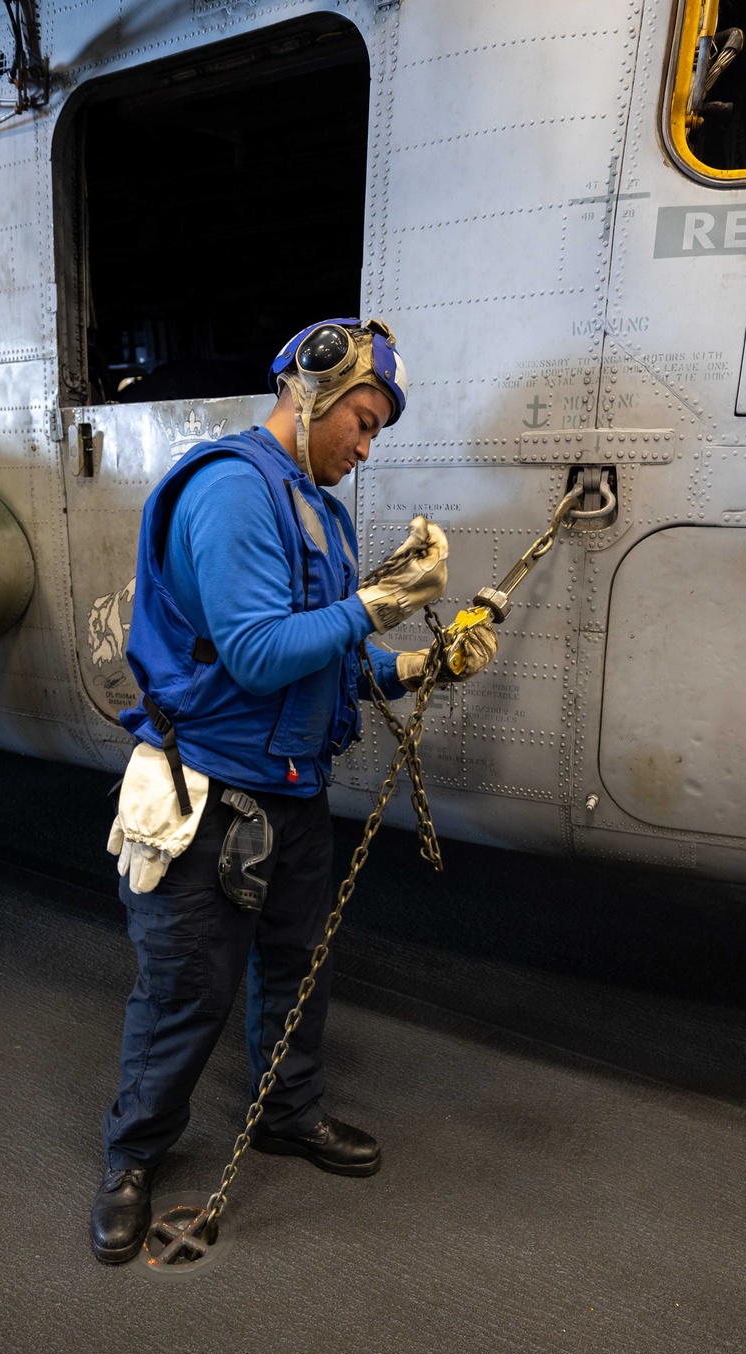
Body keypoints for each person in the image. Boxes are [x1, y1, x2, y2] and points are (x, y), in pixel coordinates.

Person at [90, 318, 498, 1263]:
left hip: (291, 792)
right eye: (361, 420)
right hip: (205, 794)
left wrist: (419, 663)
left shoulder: (319, 508)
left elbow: (334, 661)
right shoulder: (233, 491)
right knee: (186, 989)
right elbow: (258, 653)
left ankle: (287, 1114)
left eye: (377, 430)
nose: (365, 445)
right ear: (308, 393)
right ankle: (130, 1158)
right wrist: (378, 601)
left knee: (298, 968)